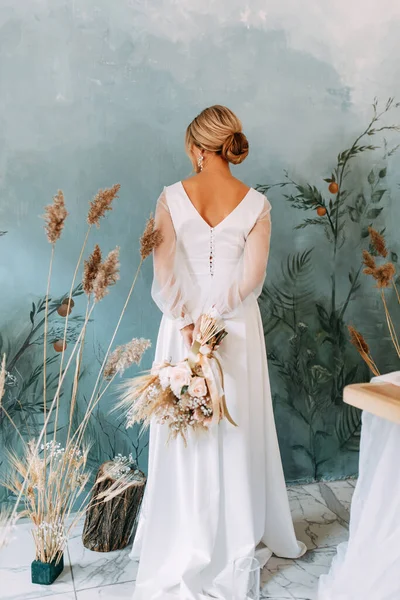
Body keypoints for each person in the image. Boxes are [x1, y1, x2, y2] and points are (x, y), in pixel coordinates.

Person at [130, 105, 306, 599]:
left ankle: (181, 529)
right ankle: (234, 528)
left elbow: (163, 272)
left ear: (197, 148)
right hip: (234, 333)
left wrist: (188, 320)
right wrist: (214, 318)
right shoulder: (257, 204)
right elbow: (252, 277)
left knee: (182, 430)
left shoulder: (170, 198)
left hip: (180, 329)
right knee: (237, 428)